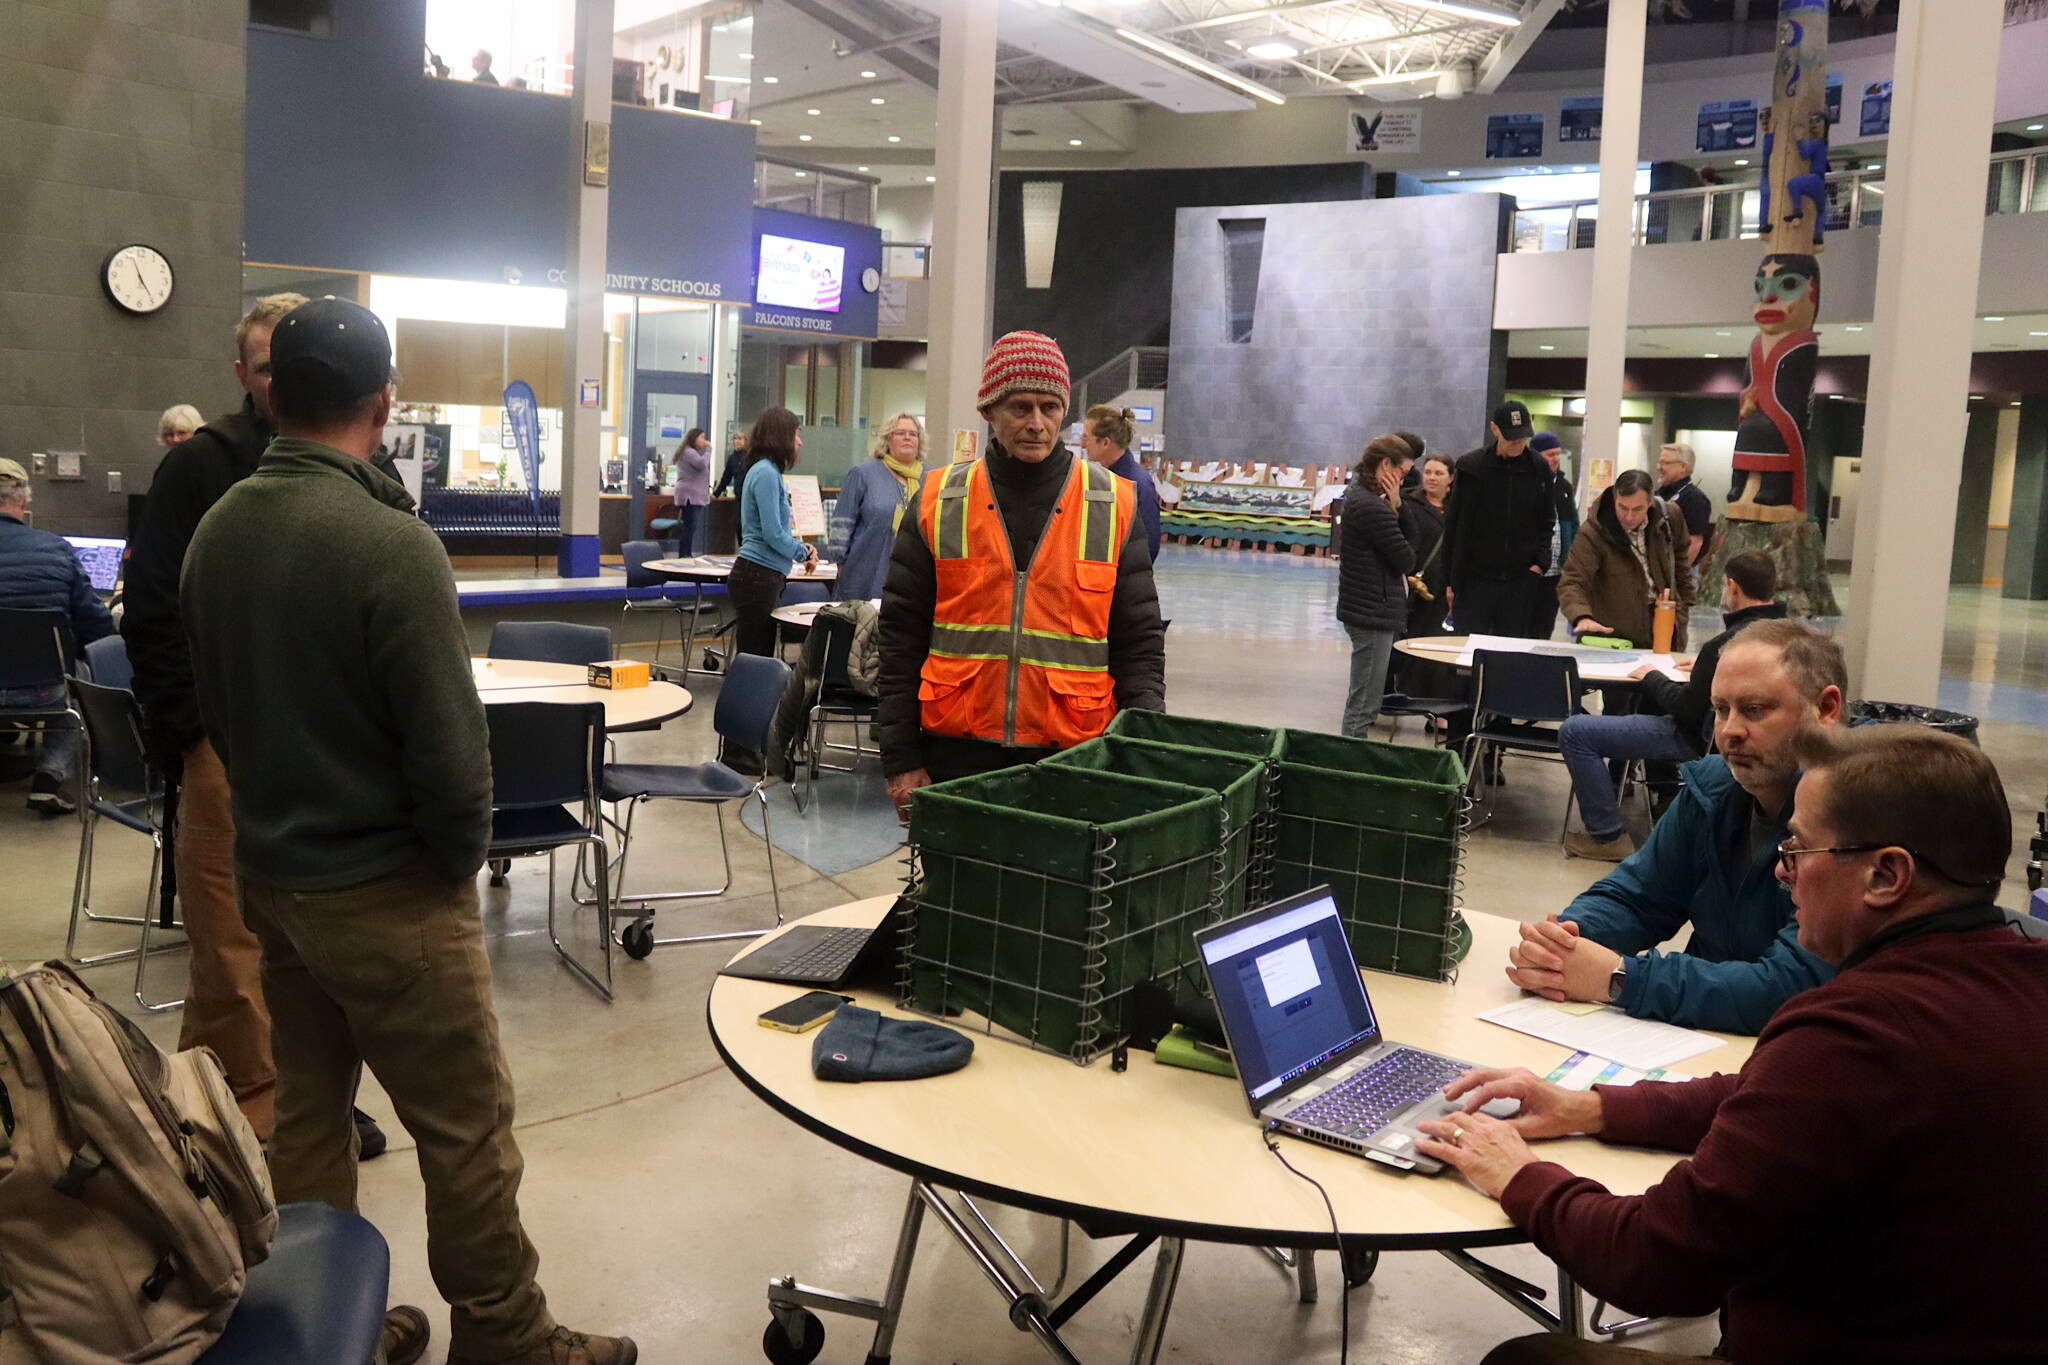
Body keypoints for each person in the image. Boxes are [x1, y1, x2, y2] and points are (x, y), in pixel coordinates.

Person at [181, 298, 636, 1365]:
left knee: (308, 1117)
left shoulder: (215, 534)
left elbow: (220, 717)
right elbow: (450, 760)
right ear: (385, 403)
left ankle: (318, 1319)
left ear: (271, 393)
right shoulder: (393, 546)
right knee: (463, 1130)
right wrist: (449, 869)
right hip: (389, 894)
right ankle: (505, 1334)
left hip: (277, 886)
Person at [1422, 726, 2048, 1365]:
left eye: (1800, 848)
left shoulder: (1855, 1034)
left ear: (1886, 874)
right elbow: (1773, 1099)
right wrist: (1594, 1109)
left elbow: (1654, 1263)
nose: (1782, 869)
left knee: (1530, 1360)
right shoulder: (2014, 977)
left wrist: (1522, 1176)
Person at [124, 292, 362, 1154]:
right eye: (269, 365)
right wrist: (193, 735)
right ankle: (242, 1126)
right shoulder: (201, 469)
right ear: (243, 374)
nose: (283, 379)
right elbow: (150, 611)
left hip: (327, 756)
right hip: (226, 749)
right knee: (230, 947)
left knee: (319, 946)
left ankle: (308, 1100)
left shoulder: (356, 469)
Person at [1505, 620, 1841, 1033]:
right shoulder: (1711, 790)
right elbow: (1638, 896)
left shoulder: (1858, 819)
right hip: (1706, 1042)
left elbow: (1794, 987)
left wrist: (1620, 978)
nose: (1729, 730)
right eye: (1720, 710)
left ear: (1826, 710)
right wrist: (1566, 941)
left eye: (1755, 710)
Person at [877, 331, 1165, 810]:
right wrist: (901, 756)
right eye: (1020, 407)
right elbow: (900, 638)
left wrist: (1140, 756)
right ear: (989, 410)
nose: (1036, 423)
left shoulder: (1112, 503)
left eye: (1049, 408)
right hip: (955, 755)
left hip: (1075, 758)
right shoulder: (939, 499)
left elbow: (1139, 645)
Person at [1560, 552, 1787, 862]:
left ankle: (1606, 835)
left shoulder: (1723, 646)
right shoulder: (1785, 638)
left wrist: (1651, 677)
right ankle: (1660, 794)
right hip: (1744, 740)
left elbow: (1687, 710)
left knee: (1575, 731)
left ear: (1733, 587)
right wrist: (1702, 671)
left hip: (1696, 738)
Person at [0, 456, 114, 814]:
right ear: (25, 500)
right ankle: (48, 781)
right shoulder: (56, 550)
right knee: (74, 686)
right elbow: (96, 626)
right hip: (42, 690)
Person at [1441, 401, 1554, 638]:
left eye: (1522, 437)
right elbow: (1455, 526)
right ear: (1494, 429)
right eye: (1511, 437)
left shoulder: (1538, 468)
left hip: (1520, 579)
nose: (1517, 443)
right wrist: (1451, 580)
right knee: (1468, 649)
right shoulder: (1471, 467)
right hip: (1475, 579)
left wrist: (1539, 563)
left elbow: (1546, 520)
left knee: (1510, 653)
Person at [1556, 469, 1692, 651]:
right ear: (1614, 498)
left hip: (1664, 629)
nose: (1629, 516)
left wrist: (1685, 603)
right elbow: (1572, 581)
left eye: (1637, 509)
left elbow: (1681, 559)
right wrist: (1581, 616)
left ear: (1650, 501)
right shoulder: (1593, 532)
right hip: (1614, 635)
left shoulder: (1669, 517)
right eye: (1623, 507)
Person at [1335, 436, 1416, 737]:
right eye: (1403, 473)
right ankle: (1351, 763)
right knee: (1364, 705)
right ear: (1385, 465)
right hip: (1372, 612)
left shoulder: (1359, 496)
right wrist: (1398, 507)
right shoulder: (1371, 506)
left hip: (1368, 608)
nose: (1403, 481)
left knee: (1366, 699)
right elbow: (1407, 558)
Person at [732, 406, 815, 662]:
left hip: (759, 575)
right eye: (796, 435)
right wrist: (804, 552)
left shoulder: (764, 470)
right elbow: (773, 534)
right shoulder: (766, 473)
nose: (799, 442)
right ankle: (749, 703)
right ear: (782, 437)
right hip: (757, 576)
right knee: (756, 659)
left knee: (757, 655)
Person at [828, 413, 922, 601]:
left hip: (913, 577)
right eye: (900, 433)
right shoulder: (863, 473)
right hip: (865, 573)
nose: (907, 438)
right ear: (887, 439)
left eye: (913, 434)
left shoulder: (930, 478)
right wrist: (840, 560)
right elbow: (842, 521)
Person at [1081, 405, 1162, 562]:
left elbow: (1148, 546)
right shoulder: (1103, 479)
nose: (1083, 445)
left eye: (1086, 438)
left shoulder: (1136, 484)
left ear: (1105, 442)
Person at [1527, 432, 1579, 640]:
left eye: (1558, 454)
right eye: (1550, 454)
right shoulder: (1528, 483)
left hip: (1555, 571)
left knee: (1544, 625)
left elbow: (1572, 524)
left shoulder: (1564, 487)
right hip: (1530, 569)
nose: (1556, 458)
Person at [1654, 442, 1713, 569]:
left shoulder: (1695, 499)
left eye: (1665, 463)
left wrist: (1676, 575)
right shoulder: (1659, 494)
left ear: (1683, 466)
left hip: (1678, 573)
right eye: (1659, 463)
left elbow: (1694, 543)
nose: (1659, 467)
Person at [670, 426, 711, 557]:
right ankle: (685, 554)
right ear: (694, 438)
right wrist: (709, 449)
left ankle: (685, 553)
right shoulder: (689, 452)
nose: (704, 441)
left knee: (689, 527)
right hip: (691, 496)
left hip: (693, 495)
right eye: (702, 437)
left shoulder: (689, 452)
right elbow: (702, 464)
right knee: (689, 527)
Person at [712, 429, 750, 498]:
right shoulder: (732, 458)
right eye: (735, 439)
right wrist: (716, 493)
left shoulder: (750, 456)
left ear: (745, 440)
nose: (737, 441)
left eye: (740, 439)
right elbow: (726, 477)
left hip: (750, 493)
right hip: (739, 494)